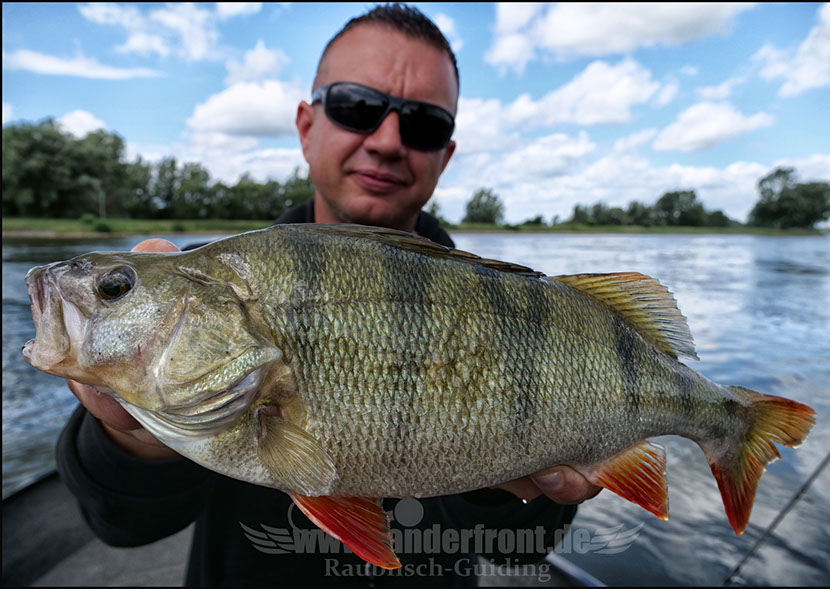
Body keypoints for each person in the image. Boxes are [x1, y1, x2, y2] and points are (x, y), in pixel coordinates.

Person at [58, 4, 600, 585]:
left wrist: (507, 482)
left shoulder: (514, 309)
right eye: (357, 107)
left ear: (445, 155)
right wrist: (131, 435)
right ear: (307, 126)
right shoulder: (217, 290)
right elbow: (121, 525)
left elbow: (522, 547)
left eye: (425, 125)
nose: (388, 140)